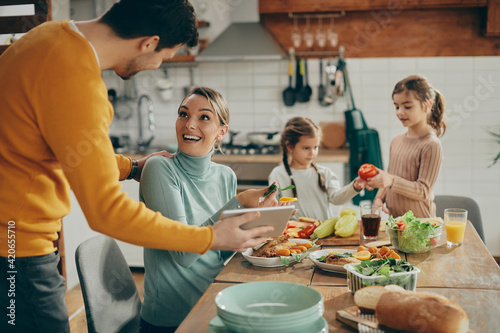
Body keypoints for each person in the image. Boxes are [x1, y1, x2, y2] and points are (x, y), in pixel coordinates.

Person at [0, 1, 272, 332]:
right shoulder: (77, 81)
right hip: (15, 245)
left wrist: (131, 167)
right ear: (148, 43)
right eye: (163, 57)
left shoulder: (48, 37)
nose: (157, 66)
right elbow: (106, 212)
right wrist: (209, 237)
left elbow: (63, 152)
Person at [139, 87, 287, 331]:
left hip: (216, 302)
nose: (189, 125)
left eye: (204, 117)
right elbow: (185, 254)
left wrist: (260, 226)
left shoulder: (225, 175)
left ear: (221, 133)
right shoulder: (159, 169)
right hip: (172, 321)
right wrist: (238, 203)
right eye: (183, 114)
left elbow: (221, 252)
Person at [368, 75, 446, 218]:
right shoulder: (396, 141)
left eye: (407, 106)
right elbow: (390, 175)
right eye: (396, 106)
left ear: (427, 105)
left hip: (420, 225)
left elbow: (423, 191)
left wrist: (391, 180)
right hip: (396, 223)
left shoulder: (431, 145)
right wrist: (379, 197)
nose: (399, 112)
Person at [268, 117, 366, 220]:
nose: (312, 153)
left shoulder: (325, 173)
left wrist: (355, 187)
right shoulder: (277, 175)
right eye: (306, 148)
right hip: (293, 232)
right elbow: (272, 208)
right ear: (290, 146)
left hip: (322, 232)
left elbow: (336, 199)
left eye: (315, 147)